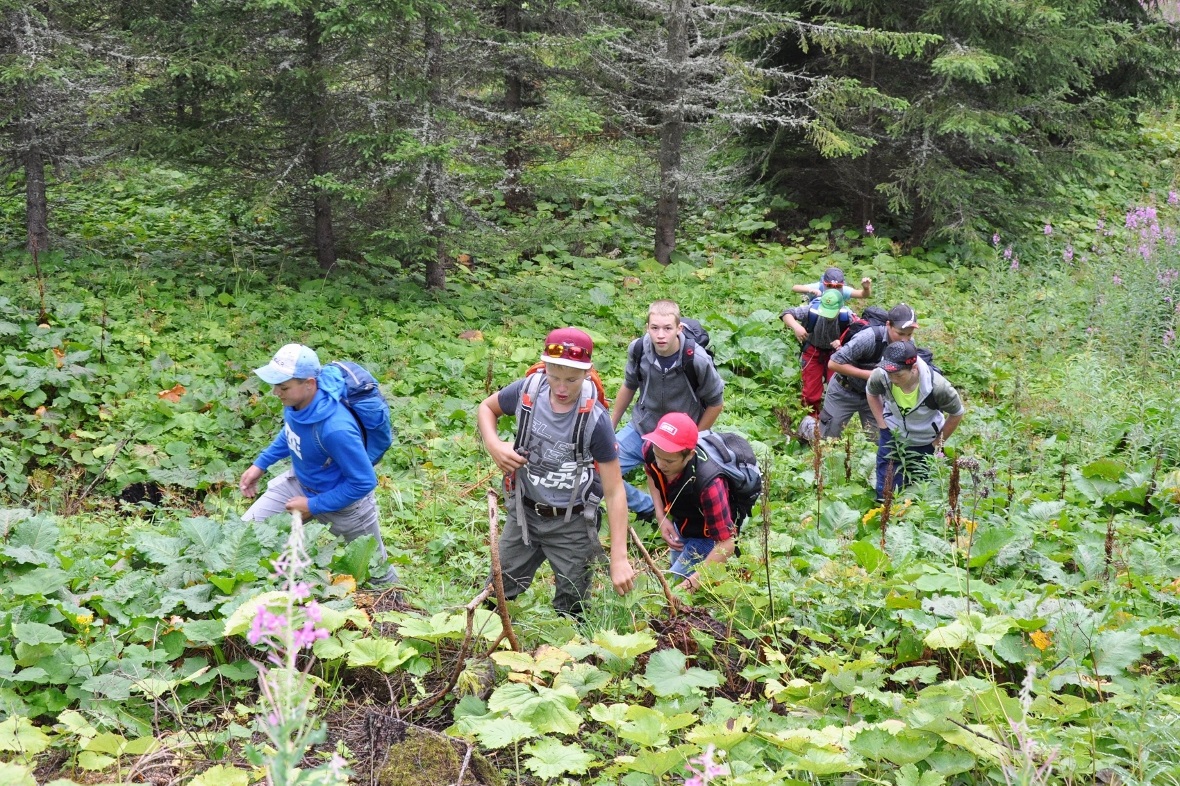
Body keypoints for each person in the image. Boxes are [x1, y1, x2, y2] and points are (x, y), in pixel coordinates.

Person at [477, 327, 636, 618]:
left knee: (573, 604)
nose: (561, 388)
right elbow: (487, 408)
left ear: (587, 373)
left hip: (572, 523)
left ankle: (572, 638)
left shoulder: (595, 420)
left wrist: (619, 558)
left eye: (572, 380)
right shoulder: (528, 391)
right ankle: (485, 635)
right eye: (554, 377)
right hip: (524, 514)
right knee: (497, 590)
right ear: (544, 368)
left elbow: (614, 492)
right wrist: (494, 445)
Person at [239, 344, 397, 584]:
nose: (276, 392)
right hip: (300, 486)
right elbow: (292, 432)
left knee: (377, 574)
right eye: (276, 385)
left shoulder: (336, 429)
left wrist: (313, 505)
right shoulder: (296, 403)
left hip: (346, 506)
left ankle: (394, 603)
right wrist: (260, 464)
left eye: (283, 387)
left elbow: (364, 482)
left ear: (310, 383)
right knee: (244, 534)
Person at [611, 300, 725, 518]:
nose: (660, 335)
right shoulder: (638, 349)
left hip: (678, 439)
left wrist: (694, 439)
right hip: (642, 427)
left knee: (681, 495)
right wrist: (611, 426)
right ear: (647, 328)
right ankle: (648, 508)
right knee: (599, 470)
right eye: (655, 328)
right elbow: (629, 385)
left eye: (667, 328)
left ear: (679, 328)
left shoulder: (696, 359)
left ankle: (672, 513)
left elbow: (716, 402)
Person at [641, 413, 736, 592]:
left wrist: (691, 584)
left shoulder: (709, 484)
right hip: (682, 521)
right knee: (672, 577)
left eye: (669, 461)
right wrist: (661, 516)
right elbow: (651, 473)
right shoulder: (651, 449)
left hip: (708, 534)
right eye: (658, 456)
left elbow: (727, 543)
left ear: (689, 455)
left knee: (672, 587)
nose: (660, 464)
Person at [867, 341, 965, 501]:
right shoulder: (882, 375)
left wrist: (937, 443)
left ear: (914, 368)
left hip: (925, 441)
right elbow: (871, 392)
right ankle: (885, 514)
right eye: (890, 374)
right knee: (886, 490)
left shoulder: (938, 386)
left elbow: (957, 413)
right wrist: (883, 426)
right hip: (892, 435)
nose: (893, 379)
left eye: (898, 375)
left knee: (921, 493)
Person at [820, 303, 919, 439]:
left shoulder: (909, 345)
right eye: (900, 333)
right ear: (888, 325)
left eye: (909, 334)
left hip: (875, 395)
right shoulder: (868, 338)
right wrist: (870, 375)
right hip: (844, 391)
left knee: (879, 440)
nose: (905, 339)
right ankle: (807, 426)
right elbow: (833, 363)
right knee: (827, 438)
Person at [781, 289, 855, 420]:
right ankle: (810, 419)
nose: (827, 316)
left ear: (840, 308)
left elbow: (860, 331)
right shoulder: (812, 310)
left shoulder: (847, 316)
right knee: (810, 392)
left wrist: (842, 341)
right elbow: (786, 313)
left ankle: (831, 419)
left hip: (837, 355)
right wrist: (796, 327)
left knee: (837, 388)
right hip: (813, 352)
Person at [791, 266, 872, 305]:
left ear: (842, 285)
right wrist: (810, 290)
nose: (834, 289)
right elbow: (795, 288)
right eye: (829, 286)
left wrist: (866, 288)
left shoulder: (843, 290)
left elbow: (863, 295)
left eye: (838, 286)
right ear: (824, 283)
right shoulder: (819, 287)